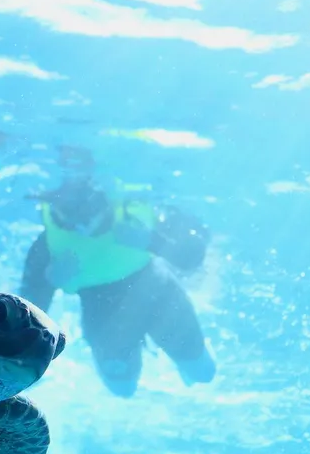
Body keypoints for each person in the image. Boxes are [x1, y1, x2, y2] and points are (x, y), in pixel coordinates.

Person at [20, 147, 216, 397]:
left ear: (103, 203)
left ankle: (186, 363)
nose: (80, 227)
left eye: (87, 215)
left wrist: (152, 241)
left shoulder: (134, 213)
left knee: (203, 373)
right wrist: (50, 279)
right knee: (122, 388)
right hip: (103, 313)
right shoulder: (47, 245)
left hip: (159, 294)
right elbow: (28, 312)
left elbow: (193, 257)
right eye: (68, 216)